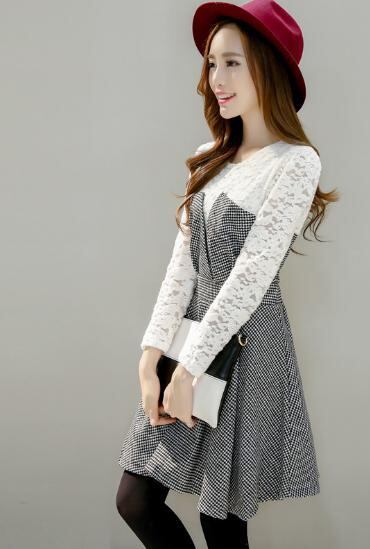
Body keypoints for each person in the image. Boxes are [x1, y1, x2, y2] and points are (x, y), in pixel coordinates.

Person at [115, 1, 338, 547]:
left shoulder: (295, 162)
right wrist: (151, 357)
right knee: (136, 499)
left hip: (248, 345)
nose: (217, 79)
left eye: (232, 63)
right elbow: (182, 268)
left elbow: (250, 278)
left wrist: (187, 372)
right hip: (193, 337)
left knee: (221, 517)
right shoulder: (210, 155)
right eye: (212, 64)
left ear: (269, 68)